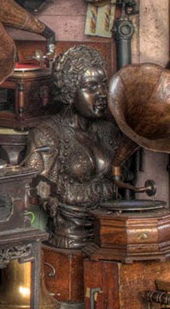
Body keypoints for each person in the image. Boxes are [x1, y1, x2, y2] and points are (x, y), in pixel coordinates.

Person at [24, 45, 120, 249]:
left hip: (109, 231)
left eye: (104, 84)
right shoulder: (47, 134)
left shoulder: (108, 130)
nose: (102, 93)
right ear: (69, 92)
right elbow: (35, 182)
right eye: (91, 87)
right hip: (70, 236)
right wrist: (48, 198)